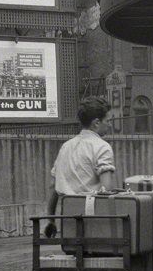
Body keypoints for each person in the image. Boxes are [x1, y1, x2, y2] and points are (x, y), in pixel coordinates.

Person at [44, 97, 116, 238]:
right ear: (96, 123)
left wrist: (51, 220)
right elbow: (106, 189)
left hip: (68, 223)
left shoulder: (66, 147)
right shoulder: (102, 146)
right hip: (93, 223)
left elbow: (54, 187)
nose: (110, 125)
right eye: (108, 121)